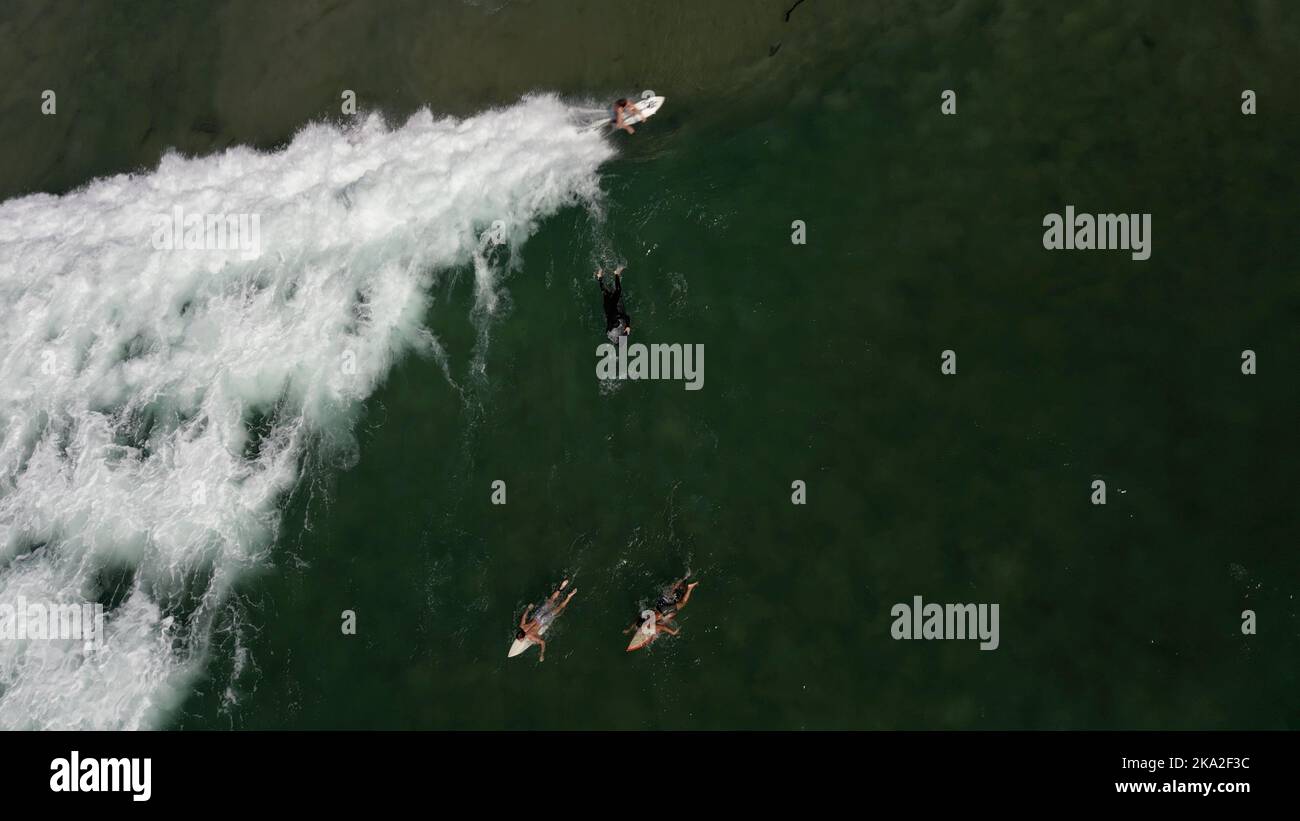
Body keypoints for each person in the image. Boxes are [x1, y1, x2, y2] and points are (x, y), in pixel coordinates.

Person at [516, 578, 577, 662]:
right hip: (538, 616)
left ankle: (569, 596)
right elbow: (524, 616)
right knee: (552, 599)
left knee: (560, 607)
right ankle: (561, 587)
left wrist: (542, 654)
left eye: (520, 639)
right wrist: (528, 608)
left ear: (523, 637)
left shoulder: (531, 637)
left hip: (544, 621)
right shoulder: (522, 626)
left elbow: (542, 642)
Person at [596, 266, 632, 343]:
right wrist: (628, 326)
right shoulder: (618, 334)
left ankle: (600, 277)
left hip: (609, 308)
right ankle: (615, 274)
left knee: (606, 292)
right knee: (614, 291)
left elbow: (623, 317)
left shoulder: (611, 329)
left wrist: (626, 325)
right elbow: (627, 317)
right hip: (613, 309)